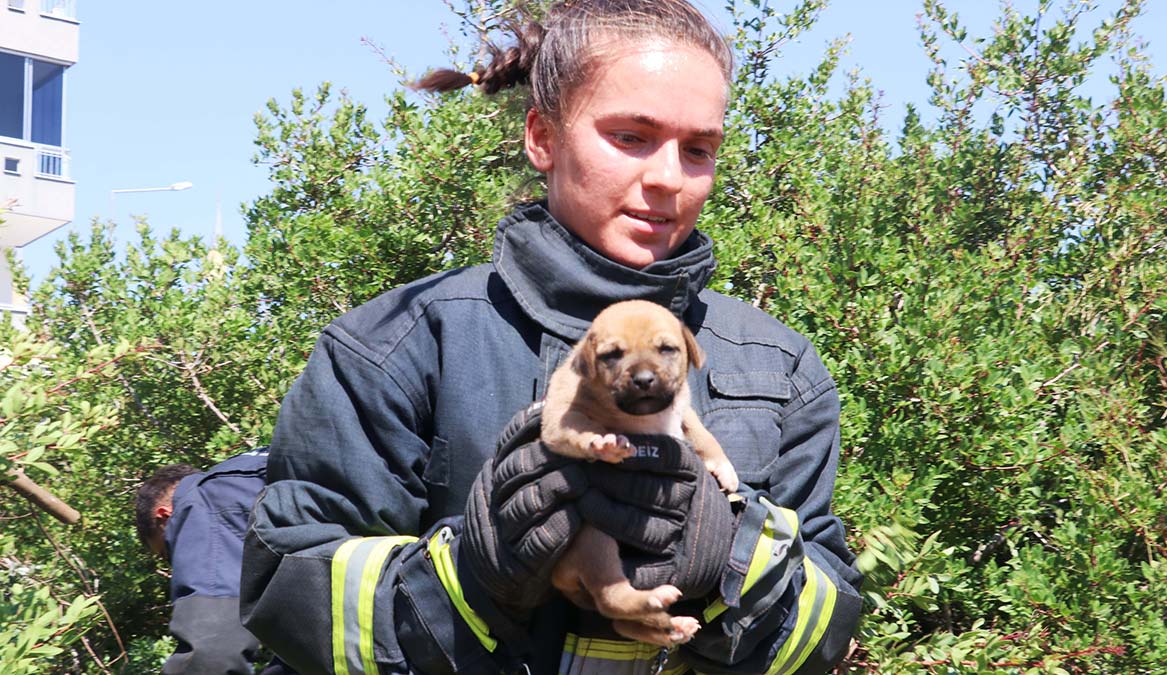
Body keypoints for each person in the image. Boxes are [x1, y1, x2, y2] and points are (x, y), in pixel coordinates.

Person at [241, 2, 862, 673]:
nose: (667, 178)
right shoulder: (398, 346)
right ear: (542, 137)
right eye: (630, 136)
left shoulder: (779, 367)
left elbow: (827, 620)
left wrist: (731, 558)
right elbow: (287, 588)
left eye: (699, 149)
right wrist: (469, 572)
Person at [136, 450, 289, 675]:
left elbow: (212, 652)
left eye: (167, 552)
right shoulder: (259, 471)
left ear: (165, 517)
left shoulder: (203, 501)